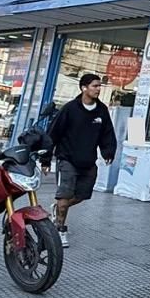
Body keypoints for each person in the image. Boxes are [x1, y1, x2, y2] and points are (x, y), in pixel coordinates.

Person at [43, 74, 118, 248]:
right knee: (64, 196)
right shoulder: (70, 109)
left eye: (99, 86)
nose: (98, 89)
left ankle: (58, 208)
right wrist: (46, 158)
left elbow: (107, 133)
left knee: (82, 195)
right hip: (67, 159)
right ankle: (60, 229)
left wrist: (108, 151)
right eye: (95, 86)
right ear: (84, 88)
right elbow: (53, 133)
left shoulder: (101, 110)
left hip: (88, 161)